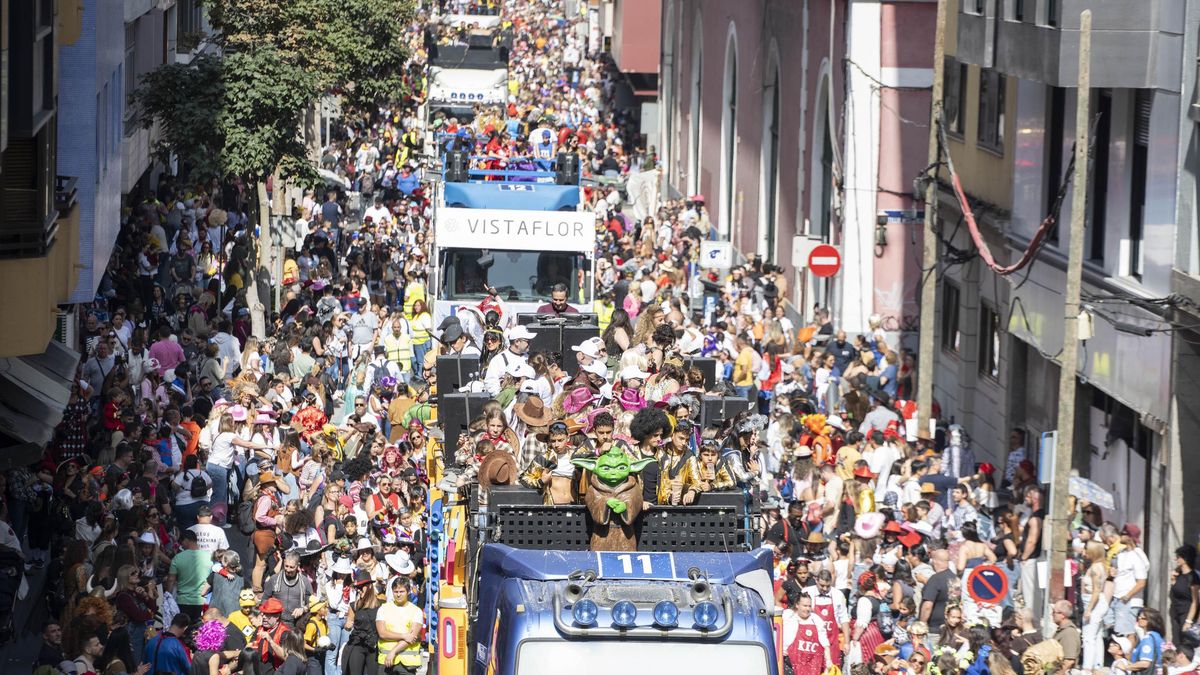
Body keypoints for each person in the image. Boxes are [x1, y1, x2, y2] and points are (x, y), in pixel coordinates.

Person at [376, 577, 424, 674]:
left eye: (401, 591)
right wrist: (404, 636)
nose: (398, 595)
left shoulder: (416, 611)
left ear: (408, 592)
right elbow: (382, 633)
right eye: (395, 591)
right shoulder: (383, 608)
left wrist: (393, 652)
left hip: (407, 664)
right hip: (386, 661)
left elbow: (411, 638)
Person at [166, 530, 211, 624]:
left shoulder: (178, 557)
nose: (181, 545)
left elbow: (171, 580)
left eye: (181, 542)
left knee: (183, 630)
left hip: (182, 601)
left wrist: (168, 597)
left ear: (186, 540)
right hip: (202, 601)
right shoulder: (209, 557)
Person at [1051, 600, 1082, 673]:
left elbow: (1069, 661)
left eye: (1053, 612)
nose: (1051, 614)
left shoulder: (1069, 633)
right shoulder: (1062, 631)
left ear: (1062, 615)